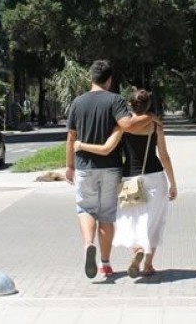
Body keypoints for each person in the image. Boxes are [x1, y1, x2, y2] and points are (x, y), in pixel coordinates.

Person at [65, 60, 155, 279]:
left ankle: (89, 244)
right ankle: (105, 264)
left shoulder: (77, 102)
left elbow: (71, 137)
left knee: (85, 209)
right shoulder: (115, 100)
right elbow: (127, 125)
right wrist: (151, 117)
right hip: (112, 166)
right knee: (106, 215)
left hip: (85, 166)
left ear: (91, 78)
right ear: (109, 80)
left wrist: (69, 166)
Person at [76, 89, 177, 278]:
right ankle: (148, 265)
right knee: (153, 221)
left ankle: (137, 250)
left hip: (130, 178)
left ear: (131, 105)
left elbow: (106, 148)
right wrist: (173, 184)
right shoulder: (156, 126)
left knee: (132, 220)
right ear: (148, 105)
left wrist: (80, 145)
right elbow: (164, 156)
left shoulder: (123, 127)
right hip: (155, 177)